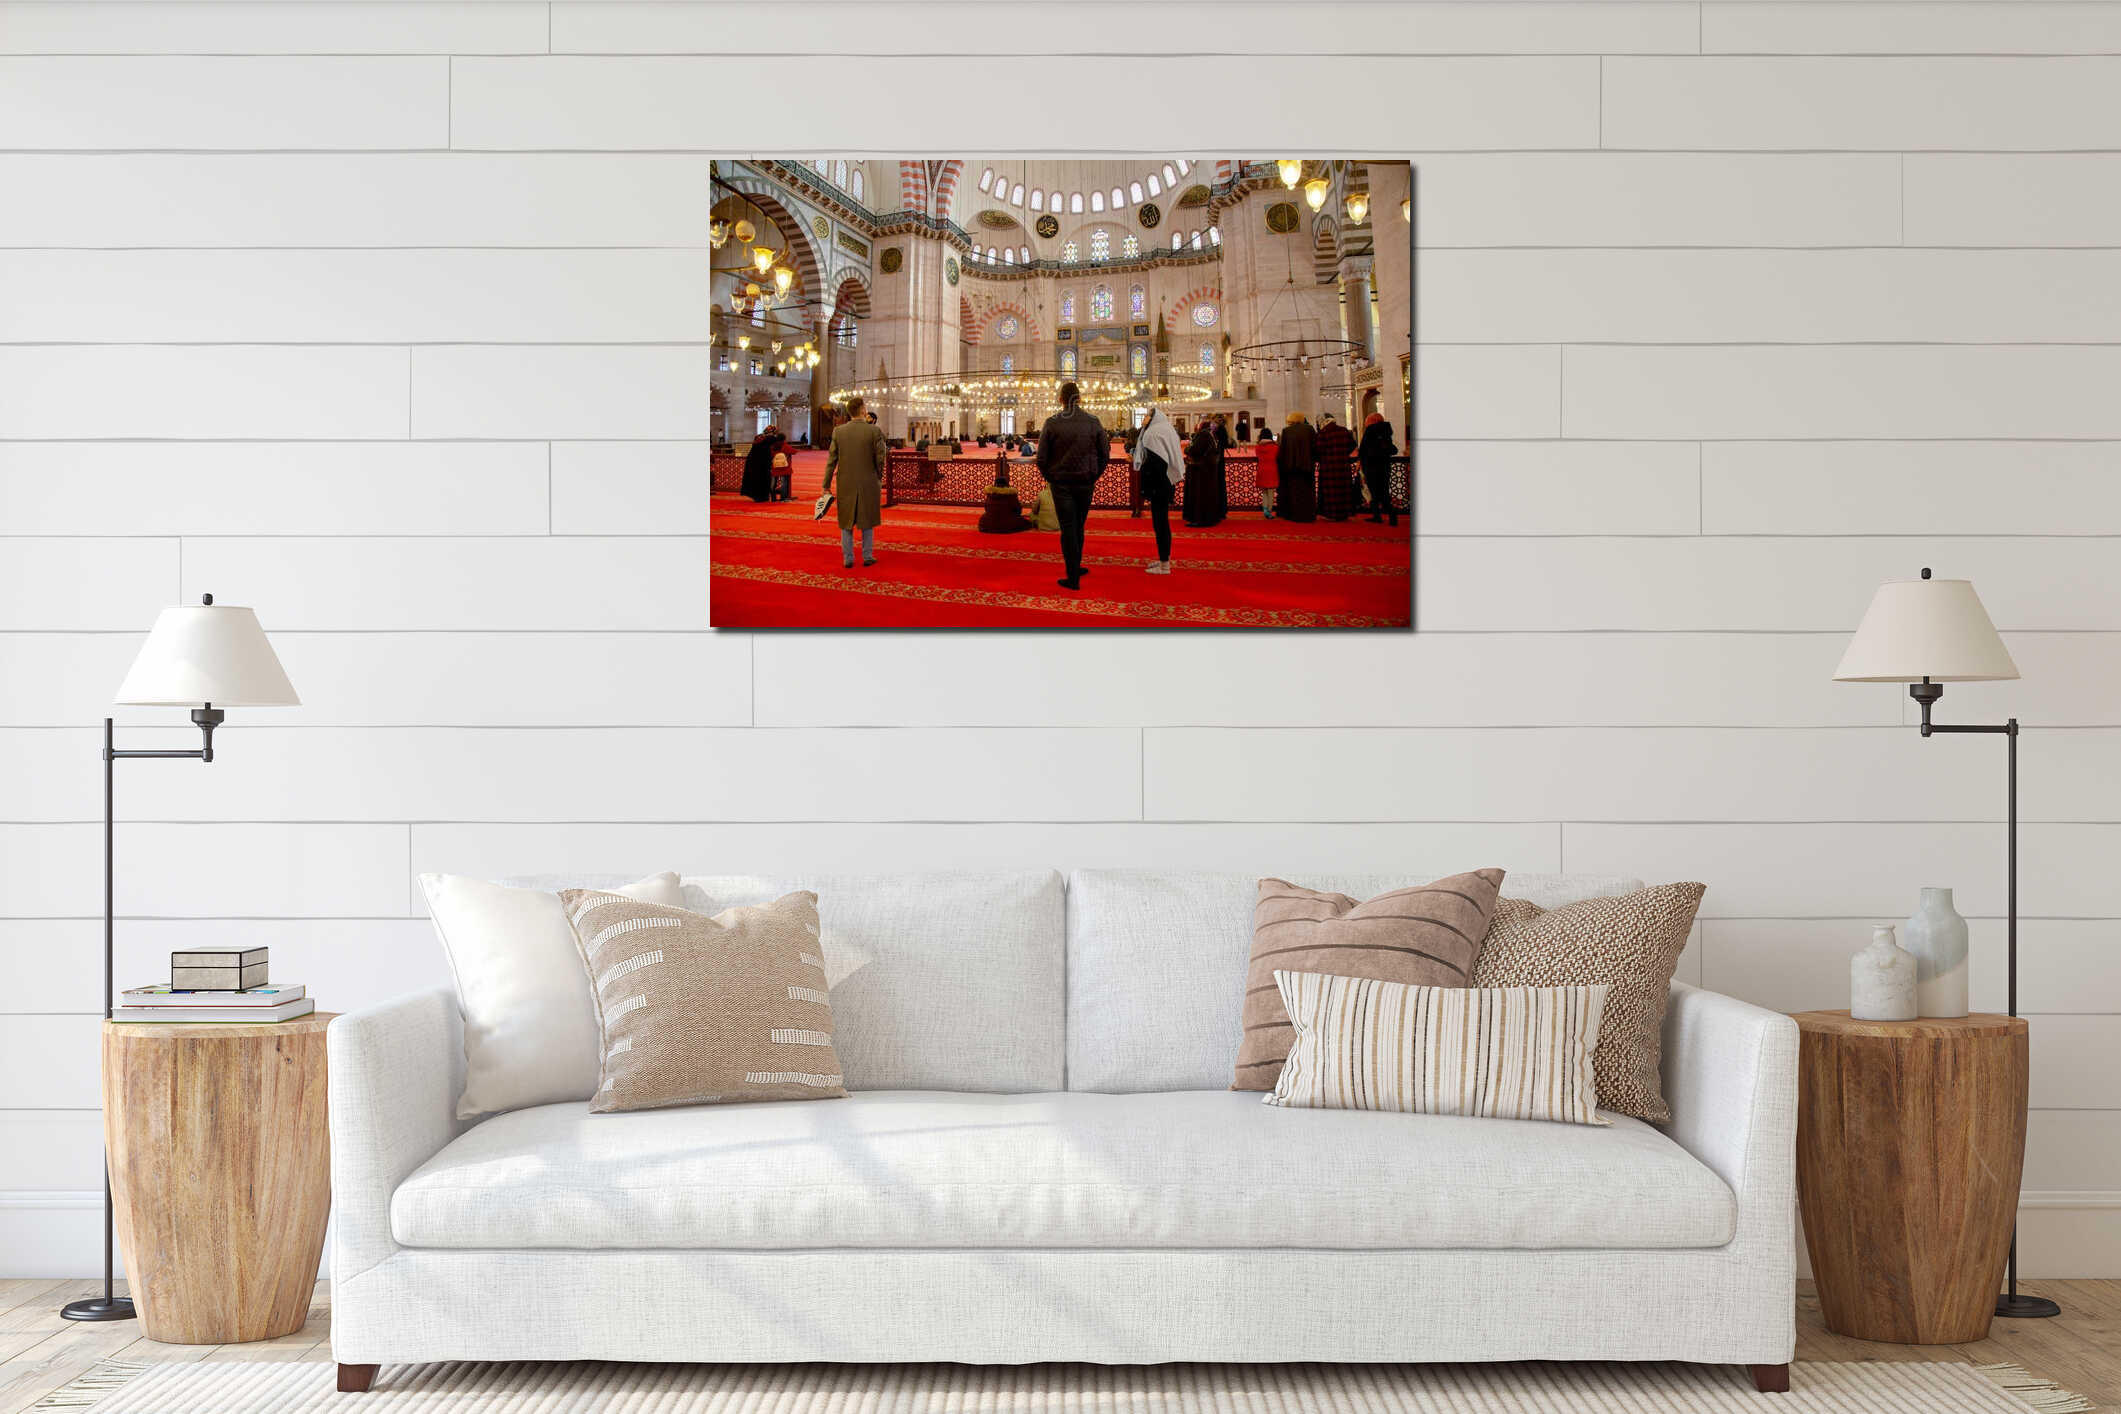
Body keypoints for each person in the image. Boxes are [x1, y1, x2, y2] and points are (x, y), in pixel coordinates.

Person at [1035, 381, 1106, 590]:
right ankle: (1075, 566)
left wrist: (1052, 478)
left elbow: (1041, 459)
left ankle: (1073, 575)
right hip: (1085, 482)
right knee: (1078, 525)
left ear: (1061, 400)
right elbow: (1105, 454)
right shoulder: (1093, 422)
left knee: (1068, 528)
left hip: (1062, 484)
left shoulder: (1052, 422)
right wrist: (1094, 475)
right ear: (1080, 399)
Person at [822, 396, 888, 568]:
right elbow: (881, 458)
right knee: (868, 521)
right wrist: (877, 476)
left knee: (846, 522)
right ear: (863, 410)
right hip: (869, 481)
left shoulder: (838, 431)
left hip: (846, 482)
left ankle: (848, 558)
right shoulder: (874, 431)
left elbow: (831, 460)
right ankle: (867, 555)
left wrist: (826, 485)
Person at [1132, 406, 1185, 574]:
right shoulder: (1165, 429)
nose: (1144, 418)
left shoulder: (1153, 434)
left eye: (1147, 415)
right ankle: (1164, 559)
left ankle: (1164, 565)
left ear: (1153, 417)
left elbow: (1155, 462)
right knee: (1161, 522)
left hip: (1159, 485)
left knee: (1160, 523)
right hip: (1166, 483)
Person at [1181, 419, 1227, 528]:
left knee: (1201, 495)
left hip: (1201, 471)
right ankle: (1209, 517)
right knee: (1207, 494)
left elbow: (1194, 450)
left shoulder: (1203, 435)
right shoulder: (1211, 435)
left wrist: (1187, 449)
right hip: (1207, 470)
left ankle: (1201, 519)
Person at [1314, 411, 1357, 522]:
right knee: (1343, 490)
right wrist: (1343, 454)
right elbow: (1352, 446)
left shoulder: (1323, 433)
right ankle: (1344, 513)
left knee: (1331, 492)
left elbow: (1317, 451)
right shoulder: (1344, 431)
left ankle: (1332, 513)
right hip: (1343, 466)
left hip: (1329, 468)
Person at [1358, 411, 1399, 525]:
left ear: (1373, 421)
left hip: (1371, 467)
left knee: (1375, 492)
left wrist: (1361, 463)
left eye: (1367, 422)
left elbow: (1363, 450)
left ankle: (1382, 515)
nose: (1365, 424)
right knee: (1384, 491)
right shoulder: (1386, 431)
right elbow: (1391, 449)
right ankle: (1387, 514)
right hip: (1385, 466)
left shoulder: (1370, 431)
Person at [1275, 412, 1316, 523]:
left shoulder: (1286, 431)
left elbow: (1282, 451)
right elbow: (1315, 448)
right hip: (1307, 467)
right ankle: (1308, 515)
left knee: (1294, 492)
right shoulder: (1310, 429)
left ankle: (1294, 515)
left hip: (1291, 467)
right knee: (1307, 492)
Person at [739, 424, 781, 502]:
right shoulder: (771, 438)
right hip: (763, 462)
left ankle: (756, 496)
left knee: (755, 479)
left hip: (752, 462)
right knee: (764, 479)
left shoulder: (759, 437)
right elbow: (776, 448)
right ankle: (763, 497)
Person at [1254, 425, 1279, 519]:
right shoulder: (1275, 447)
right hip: (1272, 469)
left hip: (1262, 469)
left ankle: (1265, 510)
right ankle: (1269, 510)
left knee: (1264, 492)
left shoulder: (1258, 447)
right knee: (1271, 492)